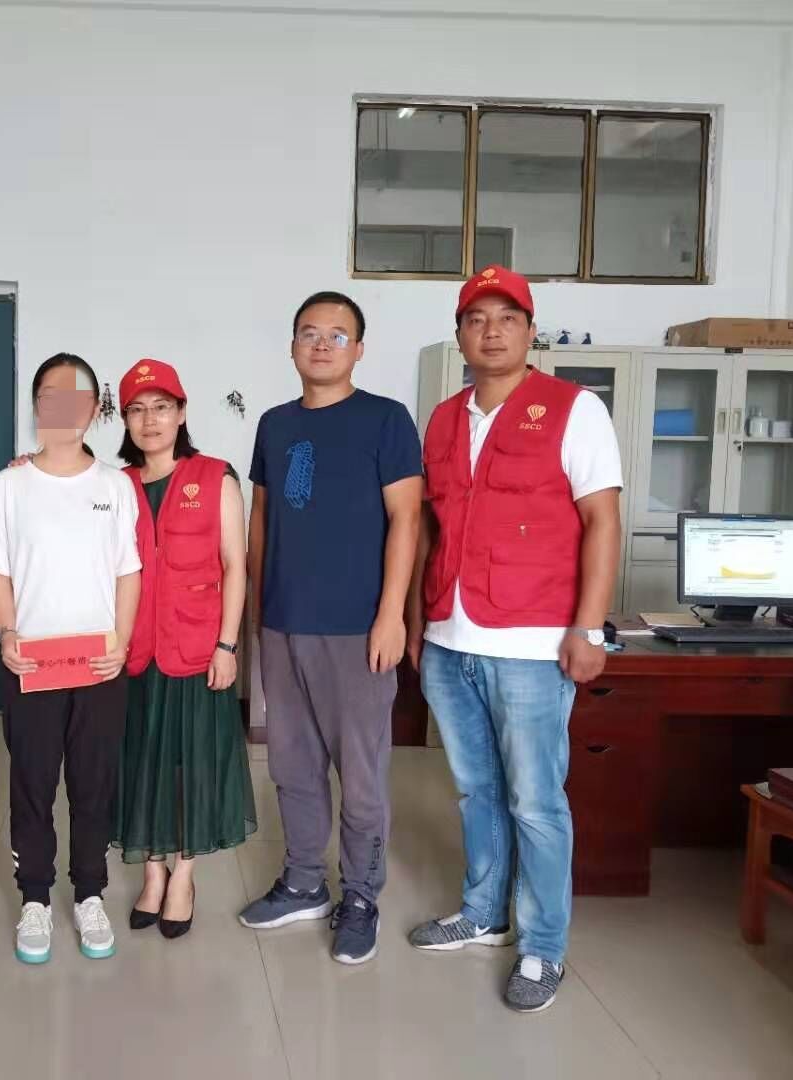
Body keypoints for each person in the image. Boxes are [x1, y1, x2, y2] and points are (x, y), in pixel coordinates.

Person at [406, 265, 623, 1014]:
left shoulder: (574, 409)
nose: (491, 331)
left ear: (531, 331)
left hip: (532, 642)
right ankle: (483, 912)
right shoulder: (443, 419)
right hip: (450, 636)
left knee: (535, 800)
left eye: (507, 318)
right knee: (477, 790)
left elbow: (602, 520)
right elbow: (430, 527)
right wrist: (418, 623)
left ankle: (542, 946)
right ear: (460, 334)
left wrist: (588, 626)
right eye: (477, 319)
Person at [238, 291, 423, 966]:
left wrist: (391, 615)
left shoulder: (385, 419)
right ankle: (303, 882)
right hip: (284, 622)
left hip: (356, 629)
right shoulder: (274, 424)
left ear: (359, 349)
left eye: (337, 335)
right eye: (309, 333)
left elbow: (407, 519)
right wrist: (258, 609)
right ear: (292, 345)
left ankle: (362, 896)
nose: (321, 344)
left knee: (361, 773)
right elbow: (263, 518)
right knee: (292, 764)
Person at [0, 353, 141, 965]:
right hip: (34, 665)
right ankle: (35, 899)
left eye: (77, 396)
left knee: (93, 784)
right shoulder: (10, 485)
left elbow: (128, 571)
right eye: (51, 395)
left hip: (98, 665)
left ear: (94, 408)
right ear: (37, 405)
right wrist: (6, 633)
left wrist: (120, 641)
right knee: (32, 782)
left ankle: (90, 894)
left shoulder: (114, 486)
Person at [111, 359, 257, 939]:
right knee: (139, 760)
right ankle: (152, 872)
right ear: (124, 419)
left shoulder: (215, 477)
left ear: (181, 413)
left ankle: (184, 876)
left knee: (191, 761)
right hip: (133, 650)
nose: (150, 420)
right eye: (137, 410)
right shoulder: (114, 485)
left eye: (161, 407)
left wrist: (227, 644)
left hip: (196, 647)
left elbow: (235, 566)